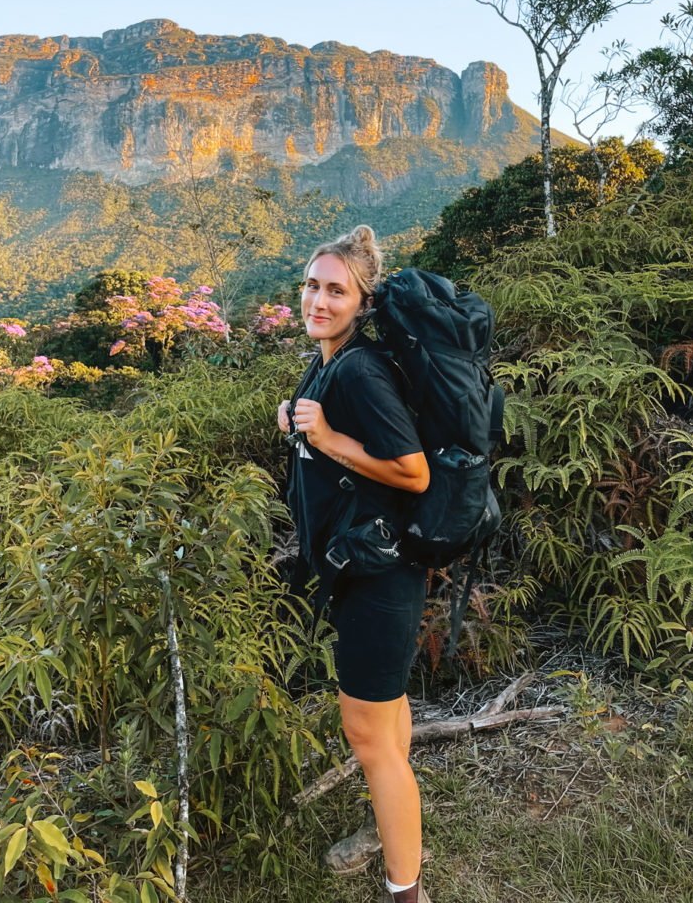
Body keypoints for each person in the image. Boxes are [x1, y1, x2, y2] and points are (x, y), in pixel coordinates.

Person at [278, 225, 433, 903]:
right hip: (365, 570)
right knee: (387, 727)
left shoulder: (360, 369)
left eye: (336, 290)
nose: (318, 298)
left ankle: (406, 893)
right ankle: (389, 828)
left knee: (366, 734)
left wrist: (331, 437)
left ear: (364, 303)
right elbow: (323, 440)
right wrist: (299, 421)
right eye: (312, 284)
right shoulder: (329, 361)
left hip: (379, 579)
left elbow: (413, 473)